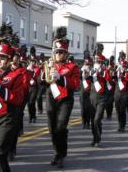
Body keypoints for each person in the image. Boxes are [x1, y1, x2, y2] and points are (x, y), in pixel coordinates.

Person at [0, 39, 25, 172]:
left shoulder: (16, 75)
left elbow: (18, 99)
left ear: (9, 61)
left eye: (3, 58)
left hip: (7, 116)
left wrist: (1, 89)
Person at [46, 27, 80, 168]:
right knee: (52, 128)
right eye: (57, 52)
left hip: (65, 100)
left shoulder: (72, 67)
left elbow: (76, 84)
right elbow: (42, 82)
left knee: (60, 127)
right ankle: (56, 152)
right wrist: (45, 73)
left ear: (66, 54)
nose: (59, 55)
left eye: (62, 52)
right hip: (51, 98)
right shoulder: (50, 65)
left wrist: (60, 78)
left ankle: (61, 154)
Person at [89, 43, 108, 147]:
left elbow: (107, 76)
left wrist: (100, 71)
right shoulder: (91, 70)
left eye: (100, 62)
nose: (98, 63)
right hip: (92, 98)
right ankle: (95, 138)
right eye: (97, 61)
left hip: (102, 99)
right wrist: (90, 72)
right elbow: (86, 79)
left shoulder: (104, 71)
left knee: (97, 119)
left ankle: (98, 136)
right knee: (93, 121)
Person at [114, 51, 128, 132]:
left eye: (123, 57)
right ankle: (119, 124)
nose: (121, 59)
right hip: (117, 90)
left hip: (125, 90)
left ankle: (122, 126)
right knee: (118, 109)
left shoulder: (127, 65)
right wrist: (115, 72)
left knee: (122, 109)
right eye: (121, 57)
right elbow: (112, 77)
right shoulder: (117, 66)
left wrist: (123, 72)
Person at [27, 46, 40, 123]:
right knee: (29, 103)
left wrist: (32, 71)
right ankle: (30, 116)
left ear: (35, 62)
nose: (32, 62)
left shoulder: (37, 69)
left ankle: (34, 116)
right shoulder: (27, 68)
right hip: (28, 87)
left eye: (33, 61)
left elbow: (36, 75)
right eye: (31, 61)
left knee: (32, 102)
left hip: (34, 87)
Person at [80, 50, 93, 129]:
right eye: (86, 63)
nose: (87, 64)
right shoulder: (81, 70)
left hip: (90, 90)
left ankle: (87, 122)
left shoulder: (92, 71)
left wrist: (90, 73)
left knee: (88, 108)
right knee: (83, 108)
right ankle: (84, 122)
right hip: (83, 91)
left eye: (88, 64)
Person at [105, 55, 116, 120]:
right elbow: (105, 77)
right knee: (106, 103)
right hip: (107, 87)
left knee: (110, 102)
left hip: (112, 87)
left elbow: (114, 77)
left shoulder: (114, 69)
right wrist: (107, 70)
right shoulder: (106, 70)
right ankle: (107, 113)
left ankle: (110, 114)